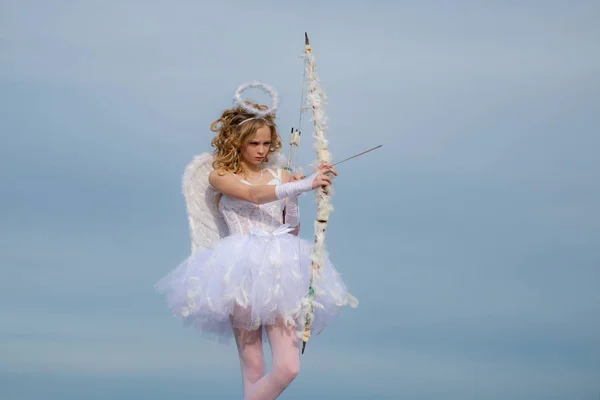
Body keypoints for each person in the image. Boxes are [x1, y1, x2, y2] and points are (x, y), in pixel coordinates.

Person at [155, 82, 357, 400]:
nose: (262, 150)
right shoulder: (219, 175)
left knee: (288, 367)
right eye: (253, 143)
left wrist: (303, 193)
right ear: (236, 142)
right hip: (239, 269)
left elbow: (290, 227)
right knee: (252, 370)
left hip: (282, 268)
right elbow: (252, 195)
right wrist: (302, 184)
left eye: (266, 142)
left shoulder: (282, 176)